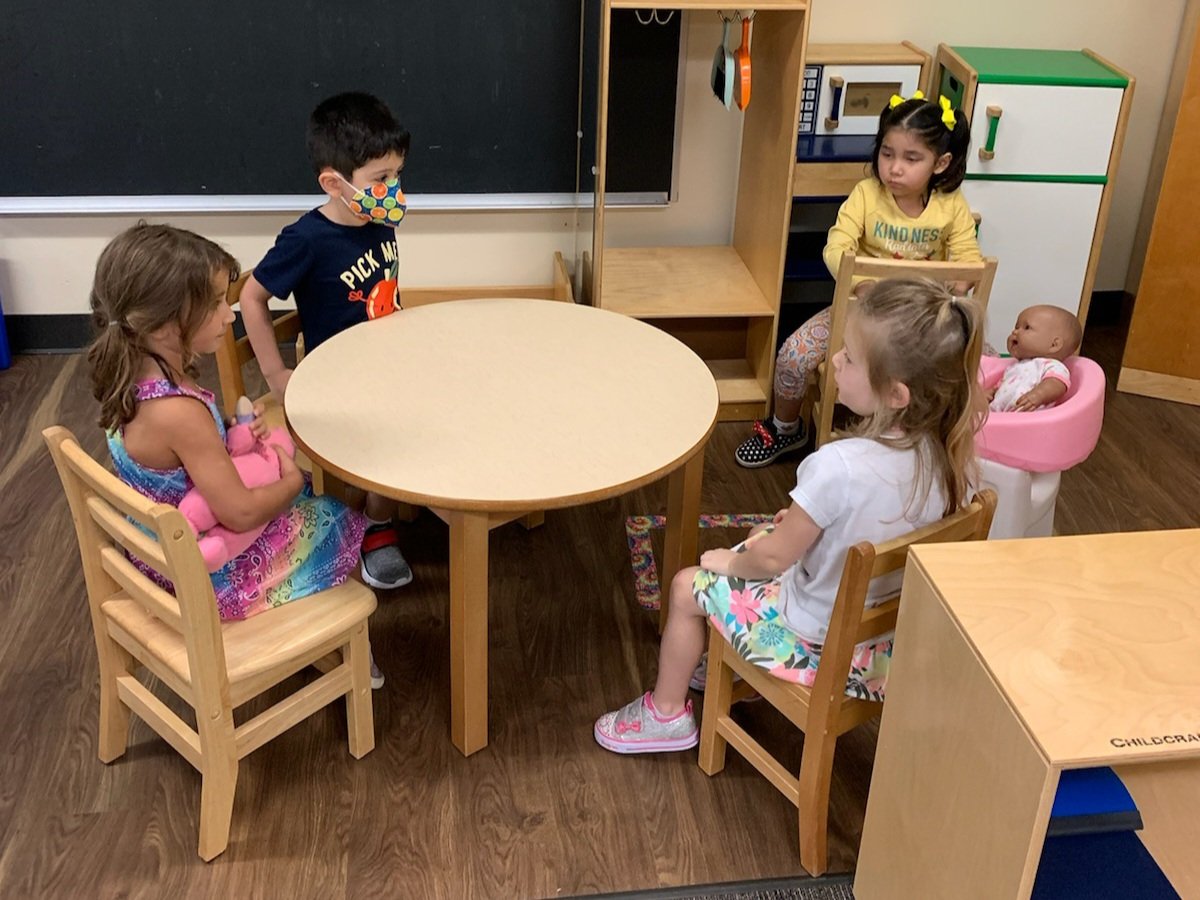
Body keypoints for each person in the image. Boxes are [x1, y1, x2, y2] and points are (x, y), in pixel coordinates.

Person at [595, 278, 984, 753]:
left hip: (812, 636)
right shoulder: (950, 458)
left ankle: (667, 714)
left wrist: (728, 562)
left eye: (850, 358)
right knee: (765, 530)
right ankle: (711, 657)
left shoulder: (837, 468)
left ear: (897, 394)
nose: (833, 362)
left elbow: (772, 561)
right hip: (882, 641)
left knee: (686, 585)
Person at [86, 222, 385, 687]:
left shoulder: (131, 377)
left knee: (306, 498)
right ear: (166, 325)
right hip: (205, 575)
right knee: (339, 521)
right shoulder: (178, 412)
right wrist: (288, 484)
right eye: (216, 305)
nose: (229, 316)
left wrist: (225, 431)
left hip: (156, 552)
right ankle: (346, 655)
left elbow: (175, 457)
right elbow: (243, 513)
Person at [735, 91, 982, 468]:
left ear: (940, 162)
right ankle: (785, 428)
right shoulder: (867, 195)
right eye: (887, 154)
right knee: (793, 357)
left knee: (973, 367)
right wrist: (862, 285)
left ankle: (930, 444)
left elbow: (968, 262)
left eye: (911, 158)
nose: (895, 168)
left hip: (919, 328)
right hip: (858, 313)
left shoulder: (952, 205)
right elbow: (836, 247)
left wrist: (956, 286)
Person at [238, 91, 414, 590]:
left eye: (397, 175)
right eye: (380, 179)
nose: (392, 188)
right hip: (340, 379)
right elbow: (252, 298)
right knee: (391, 431)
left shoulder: (379, 221)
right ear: (334, 183)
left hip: (387, 362)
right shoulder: (306, 239)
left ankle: (383, 507)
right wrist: (275, 375)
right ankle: (374, 525)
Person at [988, 305, 1082, 412]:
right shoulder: (1015, 366)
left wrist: (1038, 395)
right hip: (998, 415)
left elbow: (1057, 384)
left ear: (1054, 345)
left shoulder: (1052, 365)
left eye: (1027, 327)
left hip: (1027, 417)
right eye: (1016, 327)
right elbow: (1001, 388)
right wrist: (989, 394)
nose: (1015, 332)